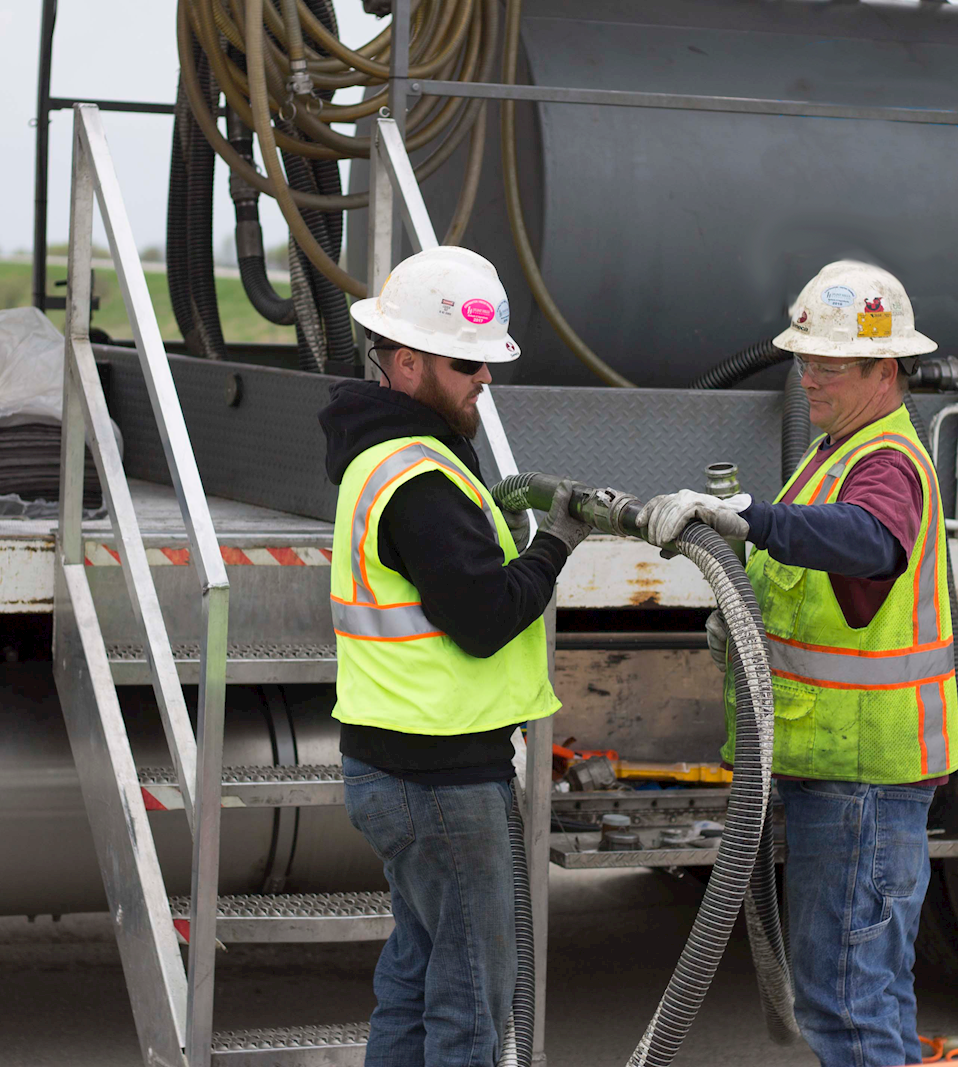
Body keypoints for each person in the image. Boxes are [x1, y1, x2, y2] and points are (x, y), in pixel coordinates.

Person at [638, 260, 958, 1067]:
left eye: (830, 363)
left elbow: (866, 541)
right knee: (860, 995)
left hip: (863, 778)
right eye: (805, 359)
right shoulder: (840, 448)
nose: (809, 376)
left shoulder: (884, 462)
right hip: (843, 772)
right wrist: (742, 615)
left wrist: (756, 518)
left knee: (848, 1003)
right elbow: (822, 585)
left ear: (886, 370)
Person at [318, 245, 591, 1067]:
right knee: (472, 1000)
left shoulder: (390, 455)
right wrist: (557, 544)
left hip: (393, 763)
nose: (484, 378)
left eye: (487, 363)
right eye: (467, 361)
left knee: (415, 975)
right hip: (439, 775)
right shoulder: (422, 477)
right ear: (406, 362)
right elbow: (483, 616)